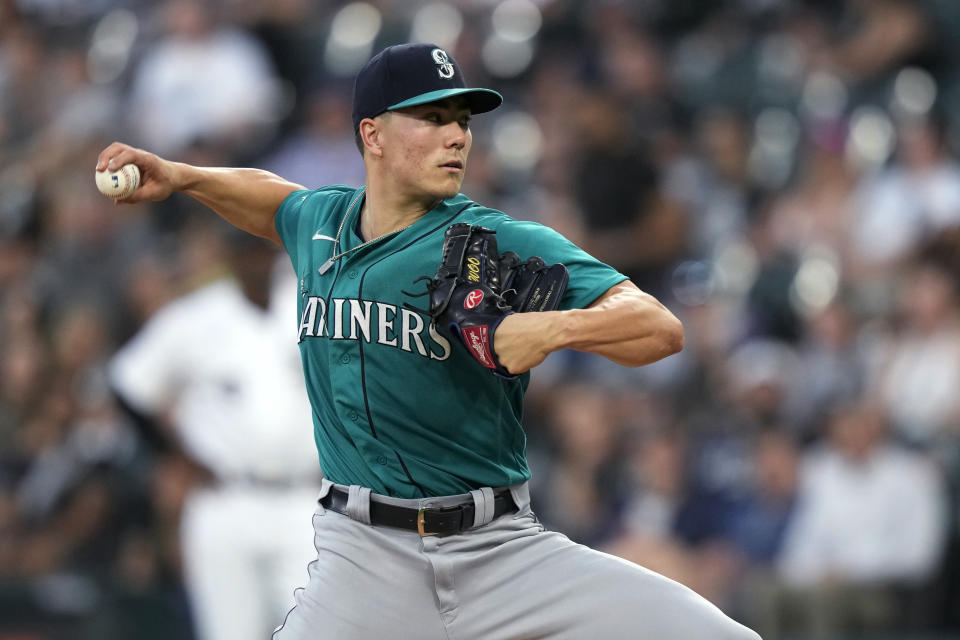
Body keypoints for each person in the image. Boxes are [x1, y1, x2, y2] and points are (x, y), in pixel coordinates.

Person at [97, 42, 760, 640]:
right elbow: (272, 200)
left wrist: (558, 327)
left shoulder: (491, 243)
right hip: (361, 562)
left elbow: (657, 326)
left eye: (462, 121)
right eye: (433, 118)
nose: (457, 138)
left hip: (501, 552)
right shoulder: (321, 224)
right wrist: (183, 176)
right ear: (373, 134)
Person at [109, 227, 320, 640]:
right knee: (229, 633)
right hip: (224, 500)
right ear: (230, 257)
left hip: (304, 500)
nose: (255, 261)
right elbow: (128, 386)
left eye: (262, 251)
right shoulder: (196, 318)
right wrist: (174, 457)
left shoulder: (311, 307)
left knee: (314, 630)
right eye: (246, 252)